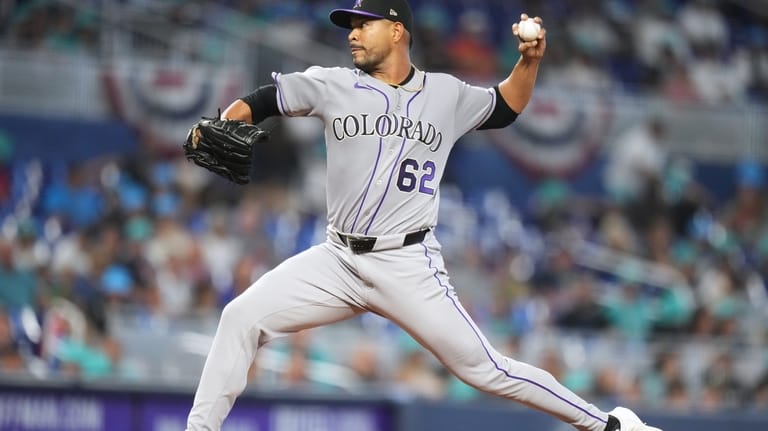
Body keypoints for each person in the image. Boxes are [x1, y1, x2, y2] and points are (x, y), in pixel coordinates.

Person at [185, 1, 663, 431]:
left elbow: (505, 105)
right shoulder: (333, 83)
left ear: (396, 31)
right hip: (337, 259)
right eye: (349, 26)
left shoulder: (445, 94)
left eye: (363, 24)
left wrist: (529, 60)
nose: (352, 33)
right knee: (240, 316)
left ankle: (610, 426)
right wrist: (228, 120)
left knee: (486, 370)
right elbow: (265, 99)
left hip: (407, 262)